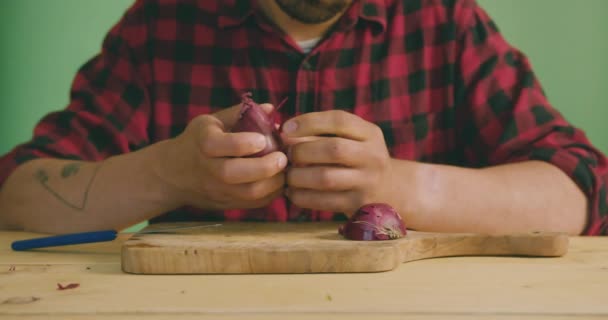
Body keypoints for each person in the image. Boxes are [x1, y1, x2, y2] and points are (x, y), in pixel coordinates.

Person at [0, 0, 606, 235]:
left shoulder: (444, 21)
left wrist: (393, 184)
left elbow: (583, 191)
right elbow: (16, 193)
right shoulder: (161, 26)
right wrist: (169, 174)